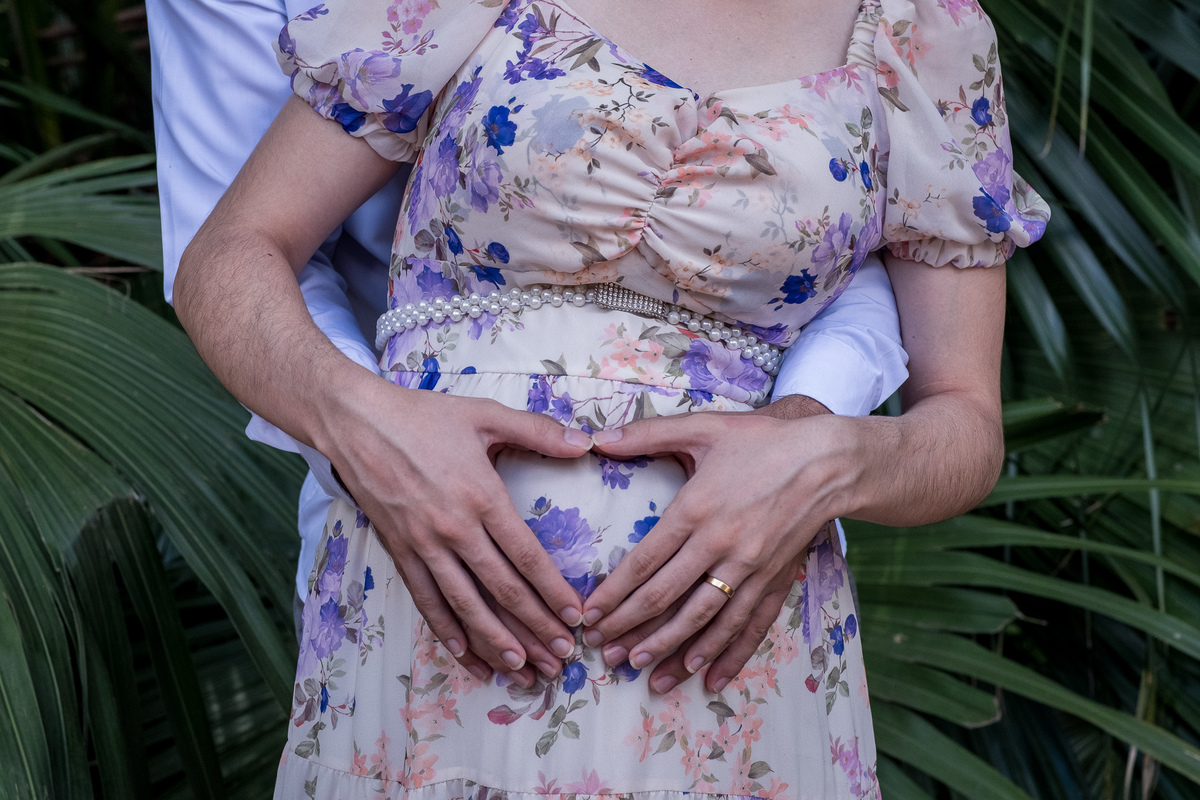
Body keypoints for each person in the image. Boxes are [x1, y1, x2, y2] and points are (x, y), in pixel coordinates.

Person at [167, 0, 1048, 796]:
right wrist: (364, 425)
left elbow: (965, 422)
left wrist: (835, 460)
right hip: (434, 617)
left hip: (721, 648)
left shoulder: (924, 32)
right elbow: (231, 253)